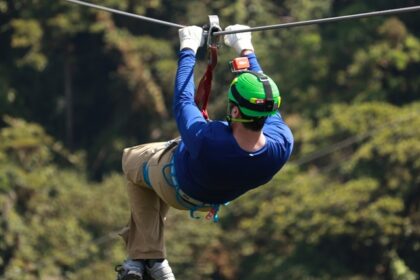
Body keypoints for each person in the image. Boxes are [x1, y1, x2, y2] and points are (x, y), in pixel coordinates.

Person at [115, 24, 294, 280]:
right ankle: (147, 261)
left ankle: (146, 257)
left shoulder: (208, 140)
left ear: (233, 111)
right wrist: (245, 47)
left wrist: (188, 48)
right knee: (154, 171)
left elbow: (183, 101)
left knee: (132, 159)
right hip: (210, 198)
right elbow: (264, 97)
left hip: (174, 184)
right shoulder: (282, 143)